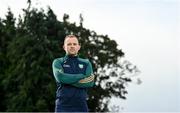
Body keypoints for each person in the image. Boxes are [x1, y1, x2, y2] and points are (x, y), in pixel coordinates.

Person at [52, 35, 95, 112]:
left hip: (81, 107)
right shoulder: (58, 62)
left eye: (74, 44)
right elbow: (60, 77)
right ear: (64, 47)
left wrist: (67, 81)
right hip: (62, 106)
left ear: (79, 47)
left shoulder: (86, 63)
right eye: (69, 44)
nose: (72, 46)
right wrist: (81, 76)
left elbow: (90, 82)